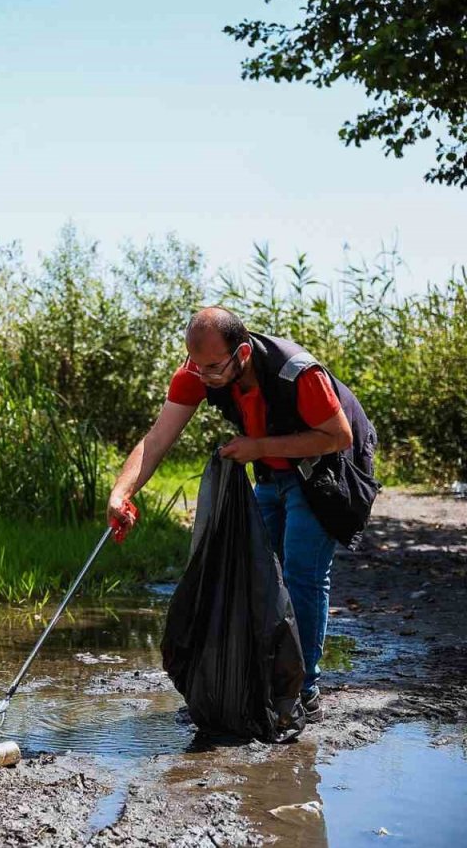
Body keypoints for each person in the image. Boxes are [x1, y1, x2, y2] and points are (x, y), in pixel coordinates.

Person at [107, 306, 377, 722]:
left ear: (244, 353)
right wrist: (121, 493)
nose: (205, 376)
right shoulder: (197, 372)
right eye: (197, 366)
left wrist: (259, 447)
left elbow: (337, 436)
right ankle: (265, 679)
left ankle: (303, 690)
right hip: (272, 465)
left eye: (214, 367)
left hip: (329, 465)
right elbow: (158, 438)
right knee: (261, 571)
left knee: (302, 572)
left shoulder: (298, 373)